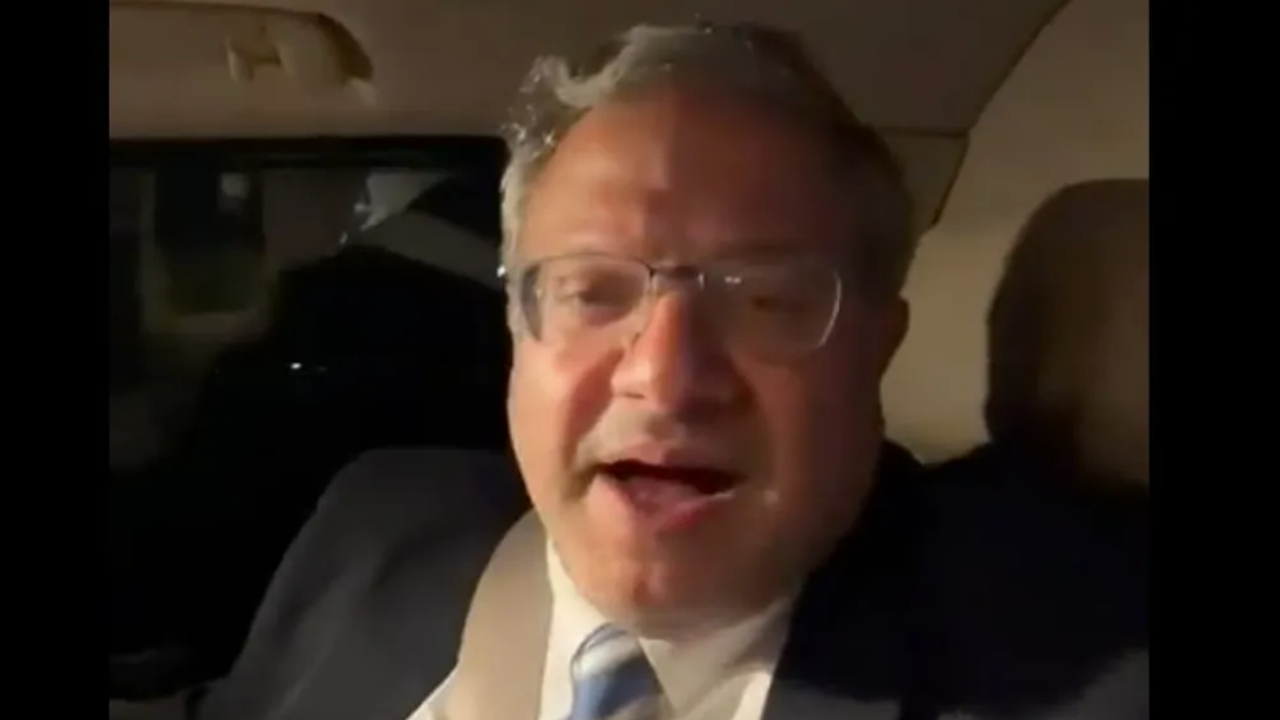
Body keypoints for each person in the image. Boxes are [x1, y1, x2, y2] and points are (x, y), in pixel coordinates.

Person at [192, 22, 1144, 720]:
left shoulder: (1087, 652)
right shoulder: (376, 531)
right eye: (591, 291)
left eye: (764, 298)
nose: (666, 377)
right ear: (518, 328)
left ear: (876, 346)